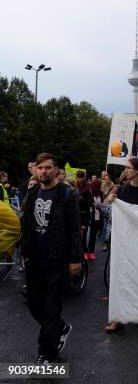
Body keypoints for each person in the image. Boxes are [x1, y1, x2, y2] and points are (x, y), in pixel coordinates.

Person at [20, 153, 82, 363]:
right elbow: (26, 225)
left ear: (56, 170)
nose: (44, 171)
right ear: (35, 170)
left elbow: (74, 228)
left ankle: (45, 353)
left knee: (51, 307)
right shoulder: (32, 193)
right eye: (41, 168)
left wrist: (75, 258)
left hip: (57, 258)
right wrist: (25, 253)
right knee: (35, 305)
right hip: (34, 258)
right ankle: (61, 327)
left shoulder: (67, 194)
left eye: (48, 167)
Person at [105, 158, 138, 332]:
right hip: (123, 241)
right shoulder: (122, 190)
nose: (125, 170)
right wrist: (110, 200)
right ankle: (118, 317)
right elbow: (107, 210)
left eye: (129, 168)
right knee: (120, 278)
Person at [87, 179, 102, 260]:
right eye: (100, 184)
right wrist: (93, 205)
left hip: (97, 216)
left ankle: (92, 251)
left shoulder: (101, 193)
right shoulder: (89, 193)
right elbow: (88, 203)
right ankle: (86, 251)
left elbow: (102, 204)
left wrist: (100, 206)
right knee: (88, 235)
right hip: (90, 216)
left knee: (94, 236)